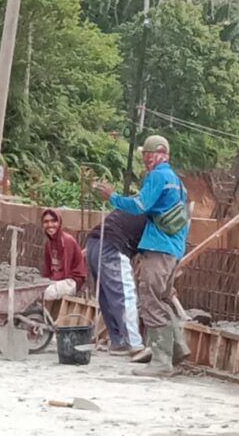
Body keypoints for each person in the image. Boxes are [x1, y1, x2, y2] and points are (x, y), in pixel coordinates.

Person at [95, 135, 190, 377]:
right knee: (162, 298)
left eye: (147, 154)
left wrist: (112, 197)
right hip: (172, 248)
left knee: (150, 299)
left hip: (159, 248)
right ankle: (177, 348)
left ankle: (161, 361)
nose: (144, 159)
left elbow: (139, 206)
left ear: (157, 153)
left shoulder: (158, 176)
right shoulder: (177, 182)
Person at [85, 209, 149, 356]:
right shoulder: (157, 211)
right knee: (124, 294)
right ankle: (133, 343)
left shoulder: (137, 204)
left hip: (94, 242)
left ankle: (118, 342)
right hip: (112, 245)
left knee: (107, 297)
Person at [40, 208, 87, 303]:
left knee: (46, 293)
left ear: (59, 222)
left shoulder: (66, 240)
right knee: (36, 290)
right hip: (57, 280)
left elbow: (66, 269)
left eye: (53, 221)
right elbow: (47, 268)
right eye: (46, 222)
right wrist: (42, 281)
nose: (50, 225)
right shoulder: (49, 243)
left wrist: (51, 283)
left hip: (71, 280)